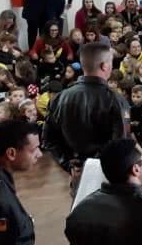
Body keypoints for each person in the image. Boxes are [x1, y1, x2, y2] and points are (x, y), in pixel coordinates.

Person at [43, 41, 130, 191]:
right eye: (111, 62)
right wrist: (92, 165)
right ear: (104, 66)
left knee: (81, 212)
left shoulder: (60, 97)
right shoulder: (115, 99)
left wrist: (69, 163)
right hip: (106, 177)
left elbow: (49, 140)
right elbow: (119, 142)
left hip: (77, 173)